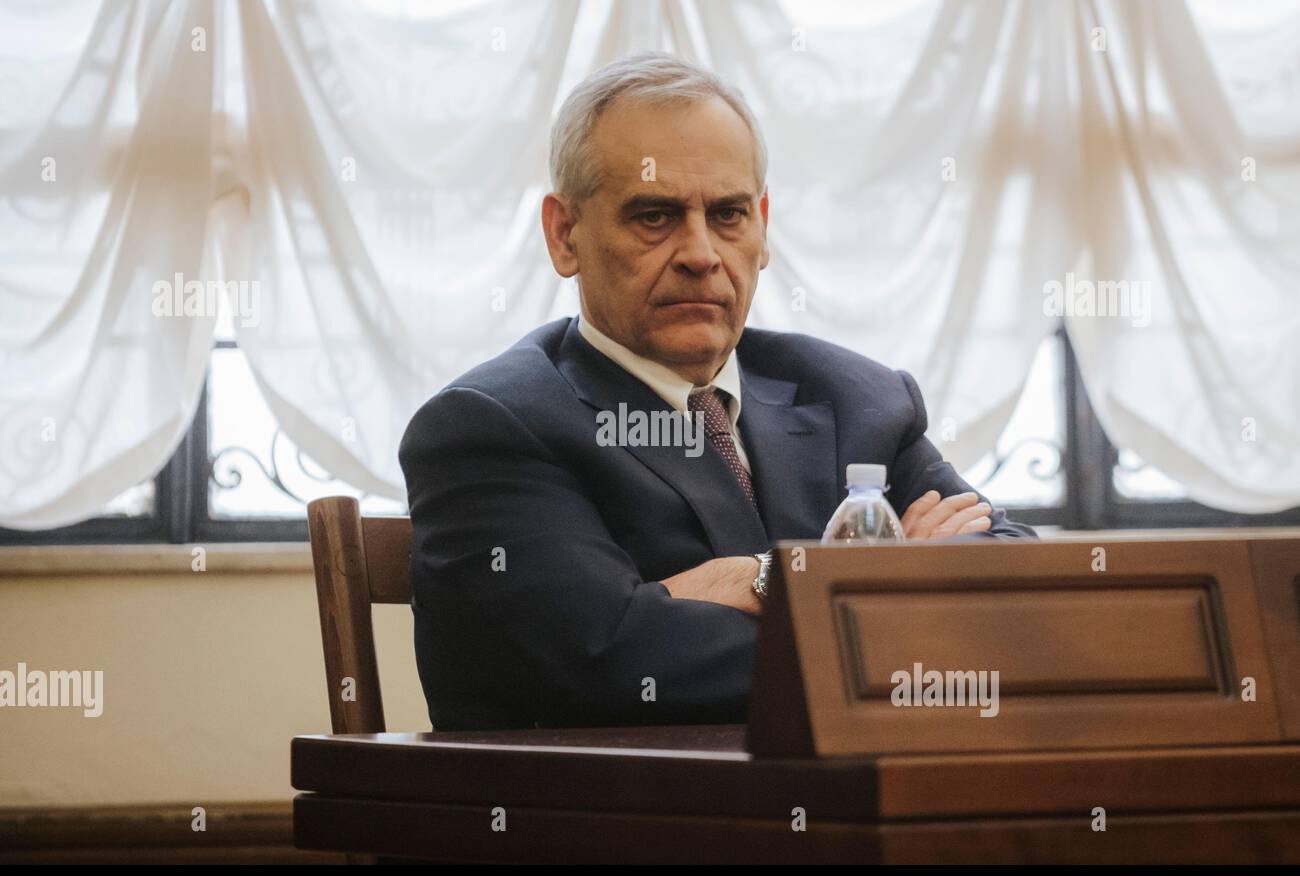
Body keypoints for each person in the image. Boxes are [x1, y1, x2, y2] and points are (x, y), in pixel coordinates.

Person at [399, 51, 1037, 731]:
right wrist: (870, 593)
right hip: (621, 823)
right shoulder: (491, 426)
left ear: (762, 226)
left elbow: (1019, 586)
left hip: (853, 812)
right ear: (565, 234)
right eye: (654, 216)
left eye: (728, 214)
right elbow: (607, 661)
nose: (701, 253)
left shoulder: (858, 398)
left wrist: (757, 589)